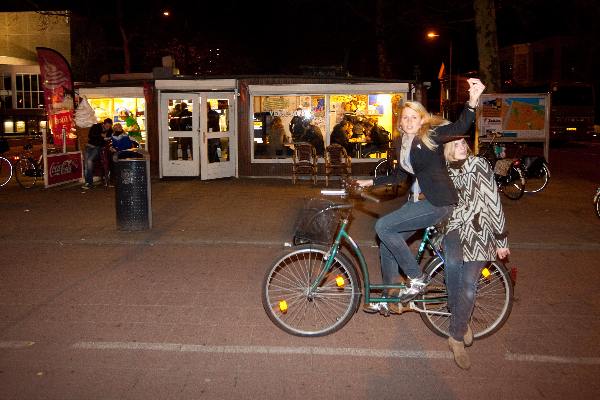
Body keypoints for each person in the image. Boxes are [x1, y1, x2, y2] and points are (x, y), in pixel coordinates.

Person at [356, 78, 485, 314]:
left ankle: (416, 277)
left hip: (438, 202)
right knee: (387, 243)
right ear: (400, 122)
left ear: (422, 119)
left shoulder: (431, 135)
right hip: (418, 201)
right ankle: (390, 297)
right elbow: (397, 177)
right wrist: (369, 181)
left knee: (383, 226)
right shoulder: (402, 143)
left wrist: (472, 102)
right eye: (405, 117)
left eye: (414, 116)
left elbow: (459, 127)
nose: (409, 121)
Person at [442, 137, 509, 369]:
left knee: (469, 286)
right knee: (452, 264)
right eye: (456, 144)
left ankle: (456, 337)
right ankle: (460, 316)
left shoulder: (478, 165)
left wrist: (501, 238)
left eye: (463, 143)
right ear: (448, 148)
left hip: (480, 232)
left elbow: (493, 201)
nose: (462, 147)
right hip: (453, 228)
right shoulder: (443, 170)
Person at [82, 118, 112, 190]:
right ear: (103, 124)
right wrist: (101, 136)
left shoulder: (110, 131)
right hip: (89, 146)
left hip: (98, 147)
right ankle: (88, 182)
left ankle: (89, 183)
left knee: (89, 161)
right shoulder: (96, 126)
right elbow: (90, 135)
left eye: (109, 126)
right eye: (106, 126)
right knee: (86, 163)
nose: (107, 127)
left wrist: (104, 139)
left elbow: (106, 141)